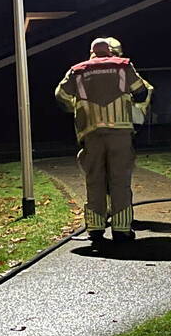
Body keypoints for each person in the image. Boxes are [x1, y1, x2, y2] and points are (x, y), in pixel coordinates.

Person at [55, 38, 150, 246]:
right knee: (120, 181)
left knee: (94, 180)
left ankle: (95, 230)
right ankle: (122, 230)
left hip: (91, 134)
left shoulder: (77, 70)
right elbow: (141, 92)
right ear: (109, 51)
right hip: (120, 134)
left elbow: (60, 96)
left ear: (91, 52)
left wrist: (76, 109)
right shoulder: (123, 66)